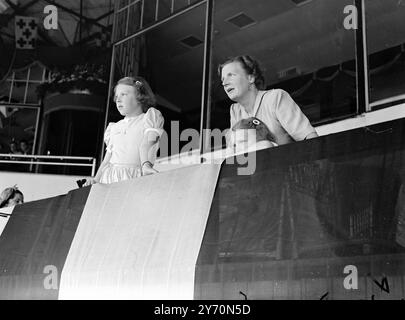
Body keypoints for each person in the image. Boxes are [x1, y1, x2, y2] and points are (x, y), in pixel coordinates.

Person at [219, 55, 318, 146]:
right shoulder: (235, 111)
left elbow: (310, 138)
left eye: (231, 75)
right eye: (222, 79)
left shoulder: (276, 97)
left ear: (250, 78)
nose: (225, 83)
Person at [84, 76, 164, 186]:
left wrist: (146, 165)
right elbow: (107, 159)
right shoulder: (114, 127)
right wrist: (96, 180)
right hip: (108, 179)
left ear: (140, 96)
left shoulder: (149, 118)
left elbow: (146, 145)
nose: (118, 99)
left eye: (124, 94)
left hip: (133, 178)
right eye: (117, 96)